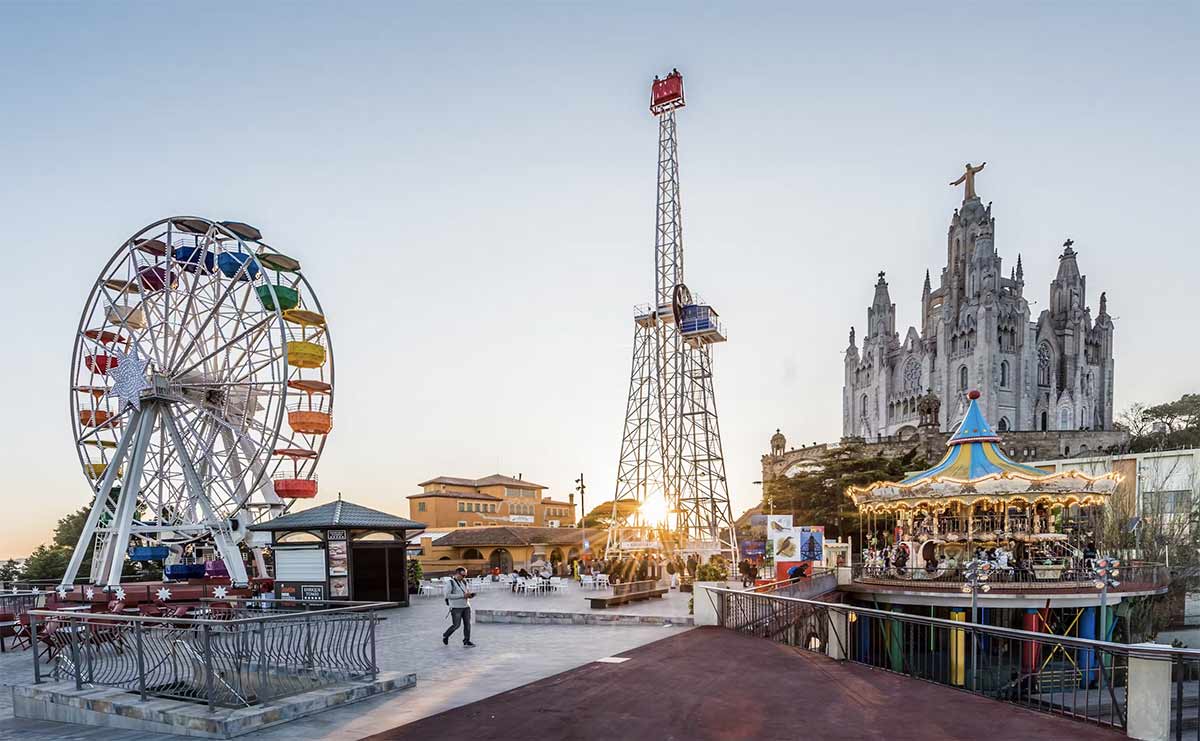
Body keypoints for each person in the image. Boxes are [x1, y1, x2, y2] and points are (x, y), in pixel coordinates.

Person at [442, 567, 476, 647]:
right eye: (462, 575)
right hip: (456, 607)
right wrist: (462, 595)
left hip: (466, 606)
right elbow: (447, 595)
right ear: (457, 573)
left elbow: (465, 592)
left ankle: (466, 641)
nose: (464, 577)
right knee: (456, 625)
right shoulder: (450, 583)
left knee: (468, 624)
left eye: (465, 575)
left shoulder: (464, 582)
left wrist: (470, 595)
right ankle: (446, 635)